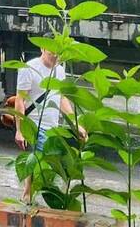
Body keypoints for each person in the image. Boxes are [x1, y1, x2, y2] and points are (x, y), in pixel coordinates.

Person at [14, 47, 86, 202]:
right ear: (42, 48)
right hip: (34, 124)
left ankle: (29, 197)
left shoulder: (59, 71)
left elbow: (61, 99)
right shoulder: (29, 68)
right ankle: (31, 197)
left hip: (53, 127)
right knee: (41, 162)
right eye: (50, 52)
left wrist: (75, 123)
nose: (54, 56)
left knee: (46, 164)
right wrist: (19, 130)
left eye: (57, 53)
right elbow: (20, 100)